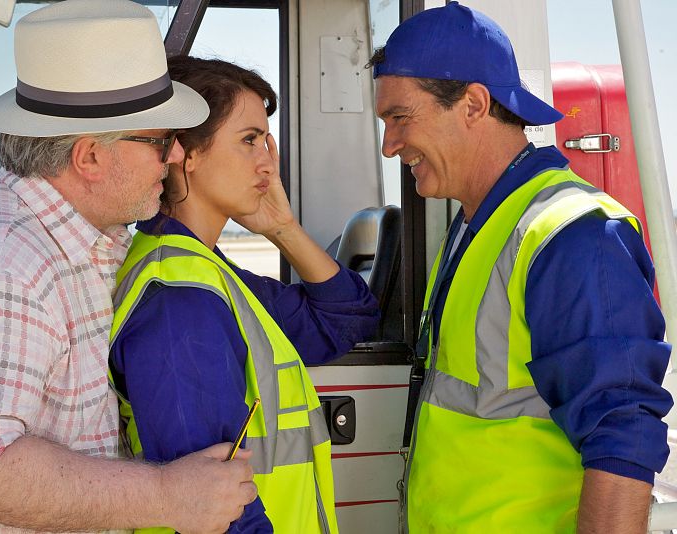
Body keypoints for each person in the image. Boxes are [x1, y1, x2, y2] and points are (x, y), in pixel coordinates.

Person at [0, 1, 257, 532]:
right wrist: (168, 495)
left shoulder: (69, 240)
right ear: (89, 158)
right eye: (159, 141)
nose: (173, 158)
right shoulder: (0, 265)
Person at [369, 3, 673, 533]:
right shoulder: (474, 225)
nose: (390, 144)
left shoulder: (572, 234)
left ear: (473, 104)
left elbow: (622, 440)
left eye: (400, 118)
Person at [109, 56, 380, 533]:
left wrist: (282, 228)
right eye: (249, 140)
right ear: (186, 152)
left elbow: (346, 320)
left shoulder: (207, 275)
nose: (268, 163)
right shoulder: (180, 304)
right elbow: (217, 512)